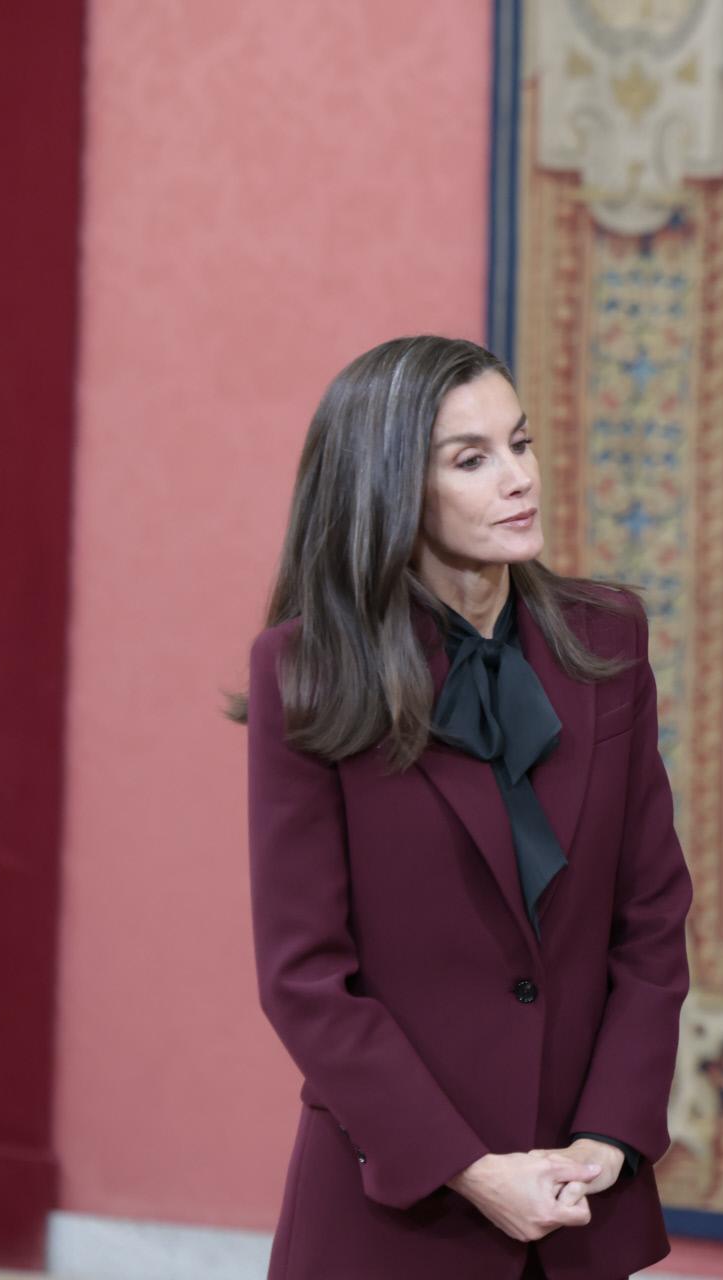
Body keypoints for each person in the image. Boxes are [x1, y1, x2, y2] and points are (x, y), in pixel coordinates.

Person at [237, 336, 692, 1278]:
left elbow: (651, 919)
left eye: (519, 444)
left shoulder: (607, 639)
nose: (518, 478)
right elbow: (306, 977)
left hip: (580, 1201)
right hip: (395, 1205)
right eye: (472, 459)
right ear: (390, 485)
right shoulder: (307, 674)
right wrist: (467, 1167)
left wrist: (610, 1134)